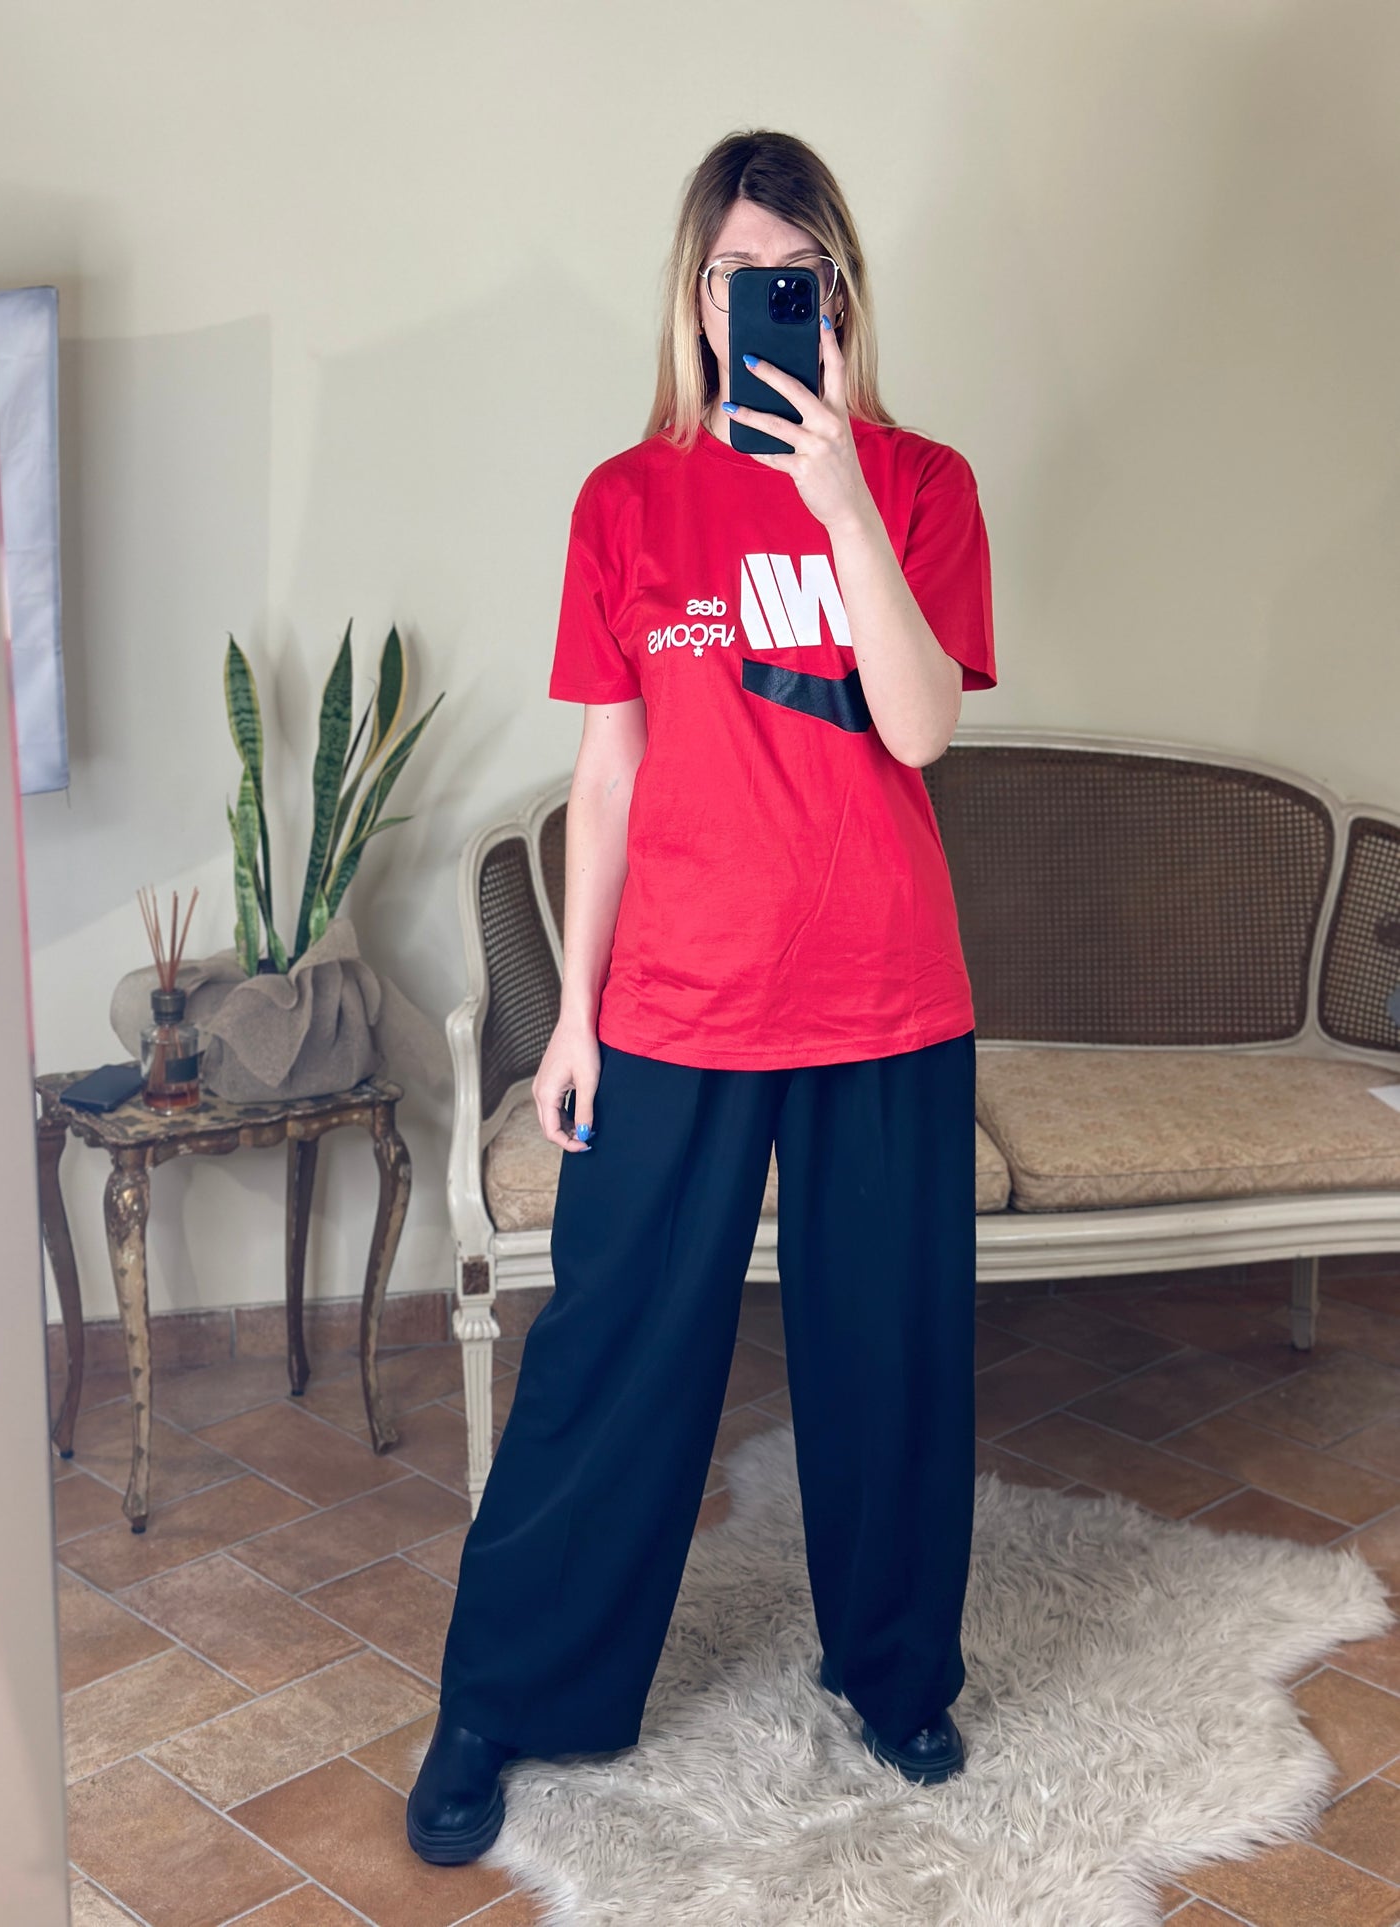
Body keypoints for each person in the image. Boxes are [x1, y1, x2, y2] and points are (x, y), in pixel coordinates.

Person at [406, 127, 997, 1867]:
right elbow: (606, 779)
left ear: (840, 295)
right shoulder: (626, 501)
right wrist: (573, 1014)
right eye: (738, 276)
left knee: (888, 1360)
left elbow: (920, 730)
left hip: (884, 997)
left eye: (795, 277)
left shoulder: (920, 482)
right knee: (607, 1362)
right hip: (677, 1000)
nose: (765, 301)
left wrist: (837, 500)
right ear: (694, 294)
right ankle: (502, 1699)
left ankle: (894, 1674)